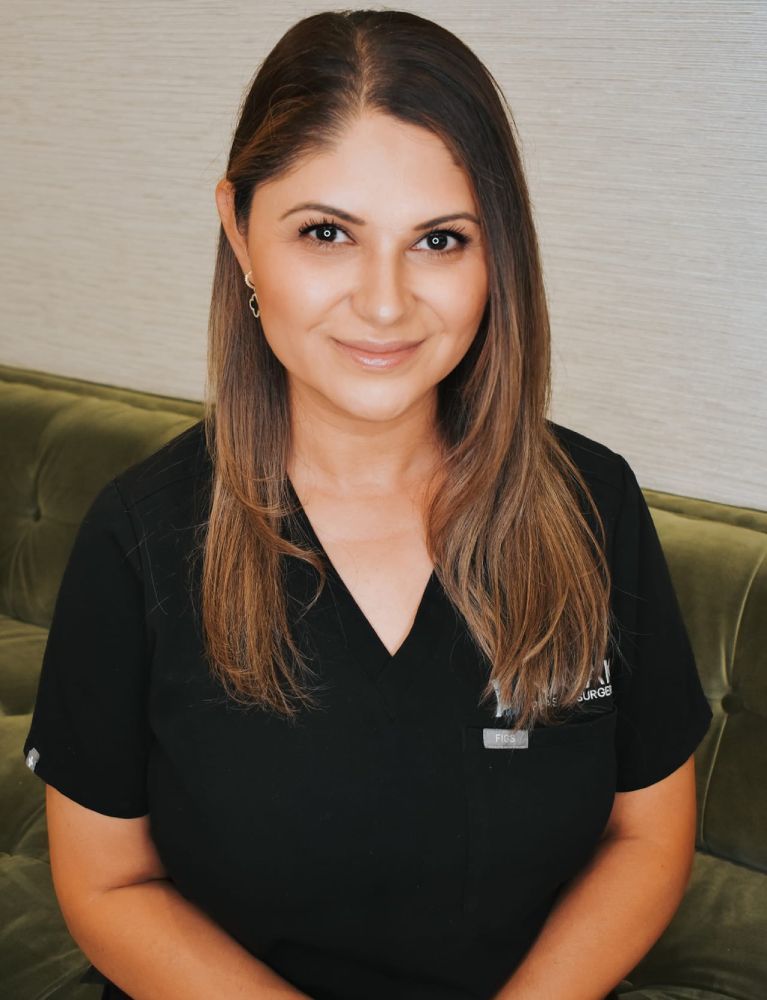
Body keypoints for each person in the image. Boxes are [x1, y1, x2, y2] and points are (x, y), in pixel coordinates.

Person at [21, 9, 713, 1000]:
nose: (384, 303)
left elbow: (644, 832)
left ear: (496, 253)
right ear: (239, 232)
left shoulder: (592, 506)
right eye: (325, 233)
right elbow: (108, 881)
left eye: (438, 239)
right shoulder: (139, 536)